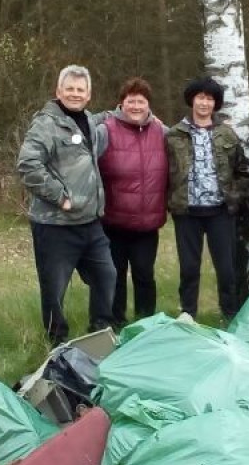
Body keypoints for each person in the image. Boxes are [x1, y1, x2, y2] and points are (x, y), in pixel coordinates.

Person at [17, 64, 116, 344]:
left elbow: (109, 124)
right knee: (55, 290)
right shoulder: (46, 124)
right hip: (56, 225)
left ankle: (100, 335)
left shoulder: (89, 122)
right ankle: (57, 343)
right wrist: (60, 196)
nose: (75, 94)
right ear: (58, 91)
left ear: (88, 94)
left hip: (91, 223)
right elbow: (28, 165)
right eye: (69, 88)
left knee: (106, 275)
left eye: (80, 89)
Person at [165, 77, 249, 321]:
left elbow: (245, 171)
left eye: (209, 98)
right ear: (191, 100)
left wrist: (234, 194)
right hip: (187, 212)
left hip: (220, 211)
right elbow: (163, 171)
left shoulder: (226, 134)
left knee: (226, 269)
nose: (204, 103)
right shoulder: (174, 135)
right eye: (200, 97)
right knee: (189, 268)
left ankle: (230, 314)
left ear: (215, 104)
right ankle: (188, 314)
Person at [95, 77, 168, 329]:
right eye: (131, 101)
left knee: (144, 275)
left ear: (149, 105)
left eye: (141, 101)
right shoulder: (105, 130)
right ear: (121, 104)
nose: (136, 106)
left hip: (147, 224)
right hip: (113, 222)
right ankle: (115, 324)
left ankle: (146, 324)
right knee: (114, 276)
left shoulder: (162, 132)